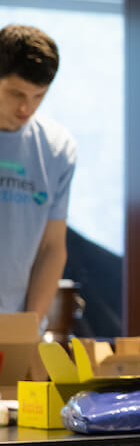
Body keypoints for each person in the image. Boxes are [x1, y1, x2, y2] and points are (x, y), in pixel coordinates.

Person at [0, 24, 75, 320]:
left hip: (15, 324)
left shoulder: (56, 147)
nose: (25, 108)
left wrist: (31, 327)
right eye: (16, 93)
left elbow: (52, 247)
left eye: (38, 96)